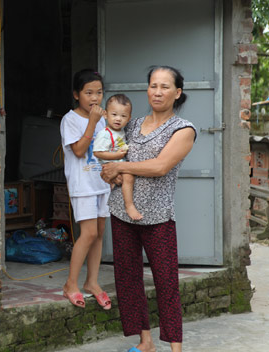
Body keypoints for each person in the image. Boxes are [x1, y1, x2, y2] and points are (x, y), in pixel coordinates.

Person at [101, 65, 196, 352]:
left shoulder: (183, 129)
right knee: (128, 279)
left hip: (158, 216)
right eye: (153, 85)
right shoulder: (130, 124)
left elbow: (160, 167)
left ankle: (175, 348)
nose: (157, 92)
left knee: (166, 283)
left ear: (177, 92)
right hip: (121, 211)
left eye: (165, 86)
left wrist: (121, 166)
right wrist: (109, 170)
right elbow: (109, 156)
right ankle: (145, 342)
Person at [60, 69, 112, 309]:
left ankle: (92, 282)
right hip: (82, 185)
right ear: (76, 94)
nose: (94, 98)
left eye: (99, 92)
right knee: (88, 233)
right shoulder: (70, 120)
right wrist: (91, 121)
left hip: (101, 183)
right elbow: (79, 151)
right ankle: (71, 284)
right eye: (88, 92)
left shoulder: (102, 119)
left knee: (100, 233)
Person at [93, 94, 142, 221]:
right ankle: (129, 205)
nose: (118, 119)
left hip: (118, 163)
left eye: (123, 116)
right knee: (128, 177)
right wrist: (117, 155)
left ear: (129, 118)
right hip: (109, 164)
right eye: (114, 114)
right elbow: (97, 152)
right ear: (105, 114)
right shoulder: (104, 134)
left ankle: (119, 205)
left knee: (121, 182)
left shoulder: (121, 131)